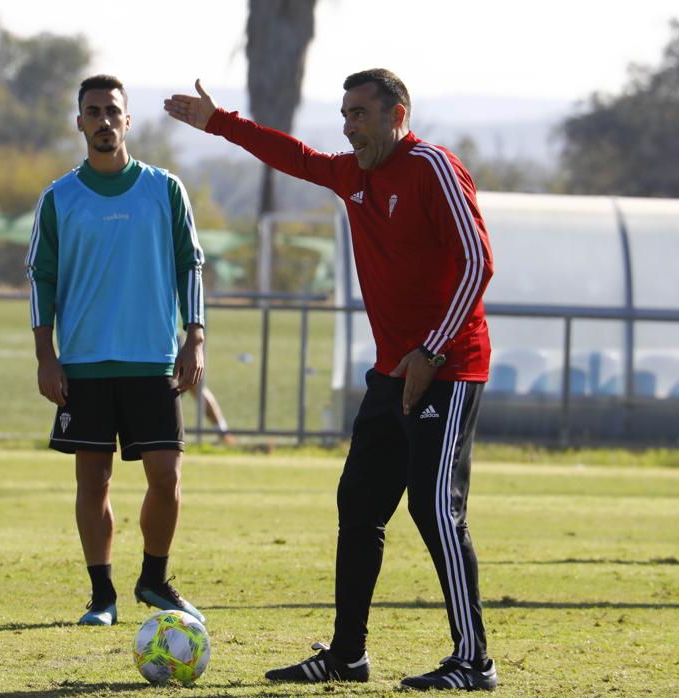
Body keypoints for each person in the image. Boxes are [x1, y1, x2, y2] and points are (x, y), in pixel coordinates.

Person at [165, 68, 497, 691]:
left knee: (435, 509)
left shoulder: (433, 167)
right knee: (359, 507)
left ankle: (474, 660)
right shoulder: (353, 176)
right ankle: (347, 657)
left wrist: (431, 349)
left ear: (399, 114)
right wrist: (220, 123)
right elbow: (296, 157)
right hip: (391, 372)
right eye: (345, 115)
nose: (350, 127)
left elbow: (479, 262)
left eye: (361, 114)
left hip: (450, 368)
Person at [27, 74, 206, 626]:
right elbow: (41, 277)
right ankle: (101, 596)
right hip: (82, 362)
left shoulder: (164, 189)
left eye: (113, 111)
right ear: (79, 122)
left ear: (128, 121)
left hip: (153, 359)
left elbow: (190, 264)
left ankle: (153, 581)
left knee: (167, 477)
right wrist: (46, 355)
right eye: (93, 112)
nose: (104, 120)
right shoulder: (59, 198)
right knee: (93, 481)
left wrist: (194, 335)